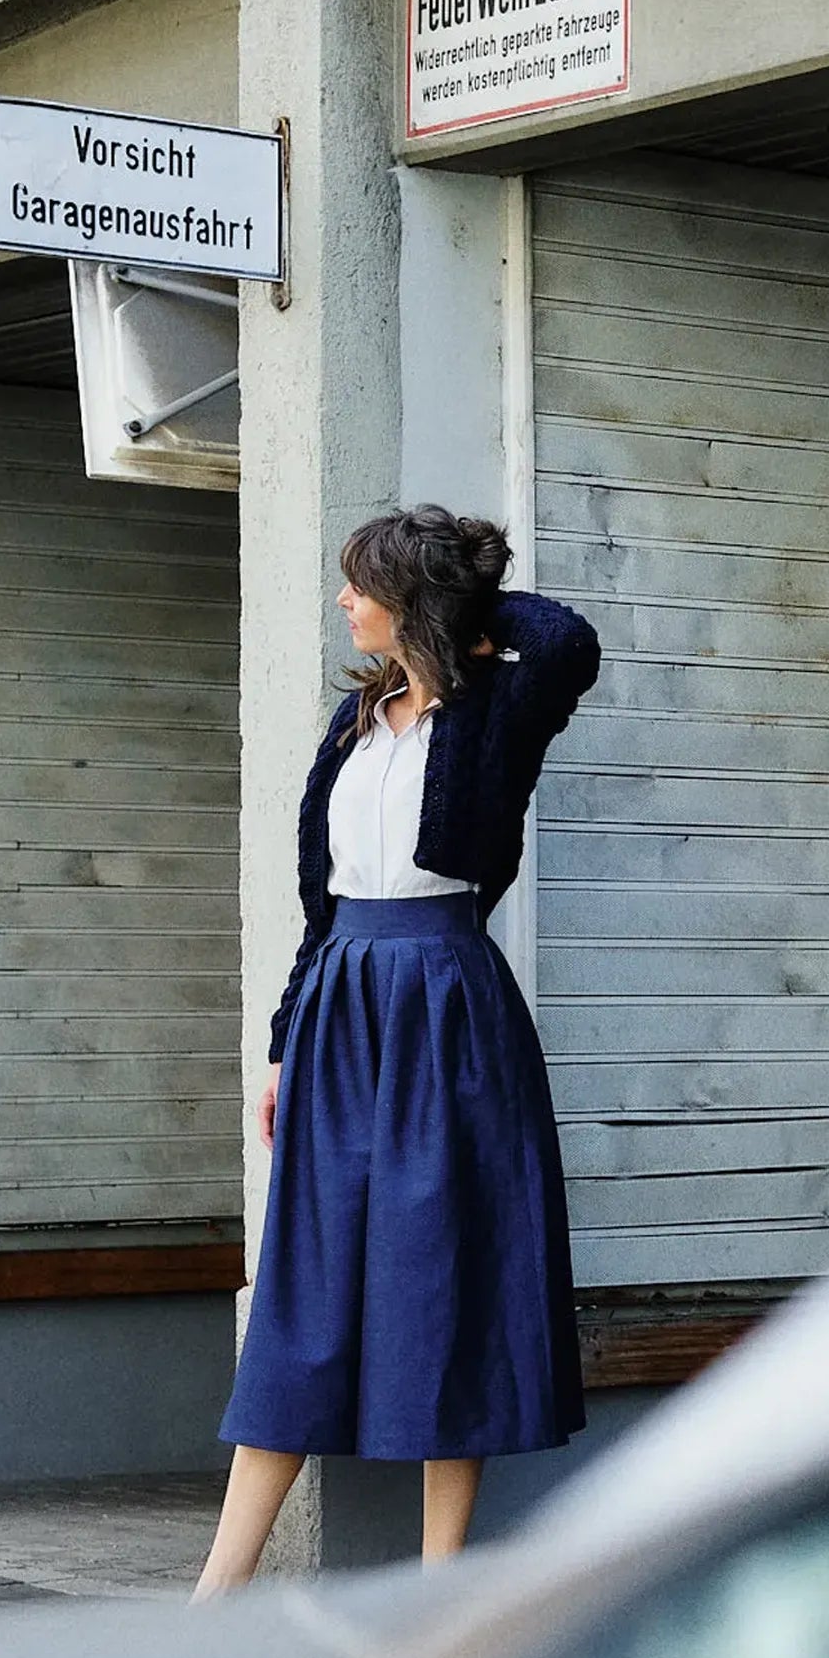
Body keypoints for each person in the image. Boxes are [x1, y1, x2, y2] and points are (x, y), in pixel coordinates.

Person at [191, 504, 601, 1598]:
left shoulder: (497, 707)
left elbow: (562, 636)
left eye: (358, 584)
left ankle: (435, 1594)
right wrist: (284, 1044)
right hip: (340, 1008)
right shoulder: (351, 721)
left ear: (409, 600)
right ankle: (213, 1596)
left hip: (448, 1007)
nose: (341, 602)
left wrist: (455, 602)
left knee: (443, 1276)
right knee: (304, 1286)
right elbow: (321, 910)